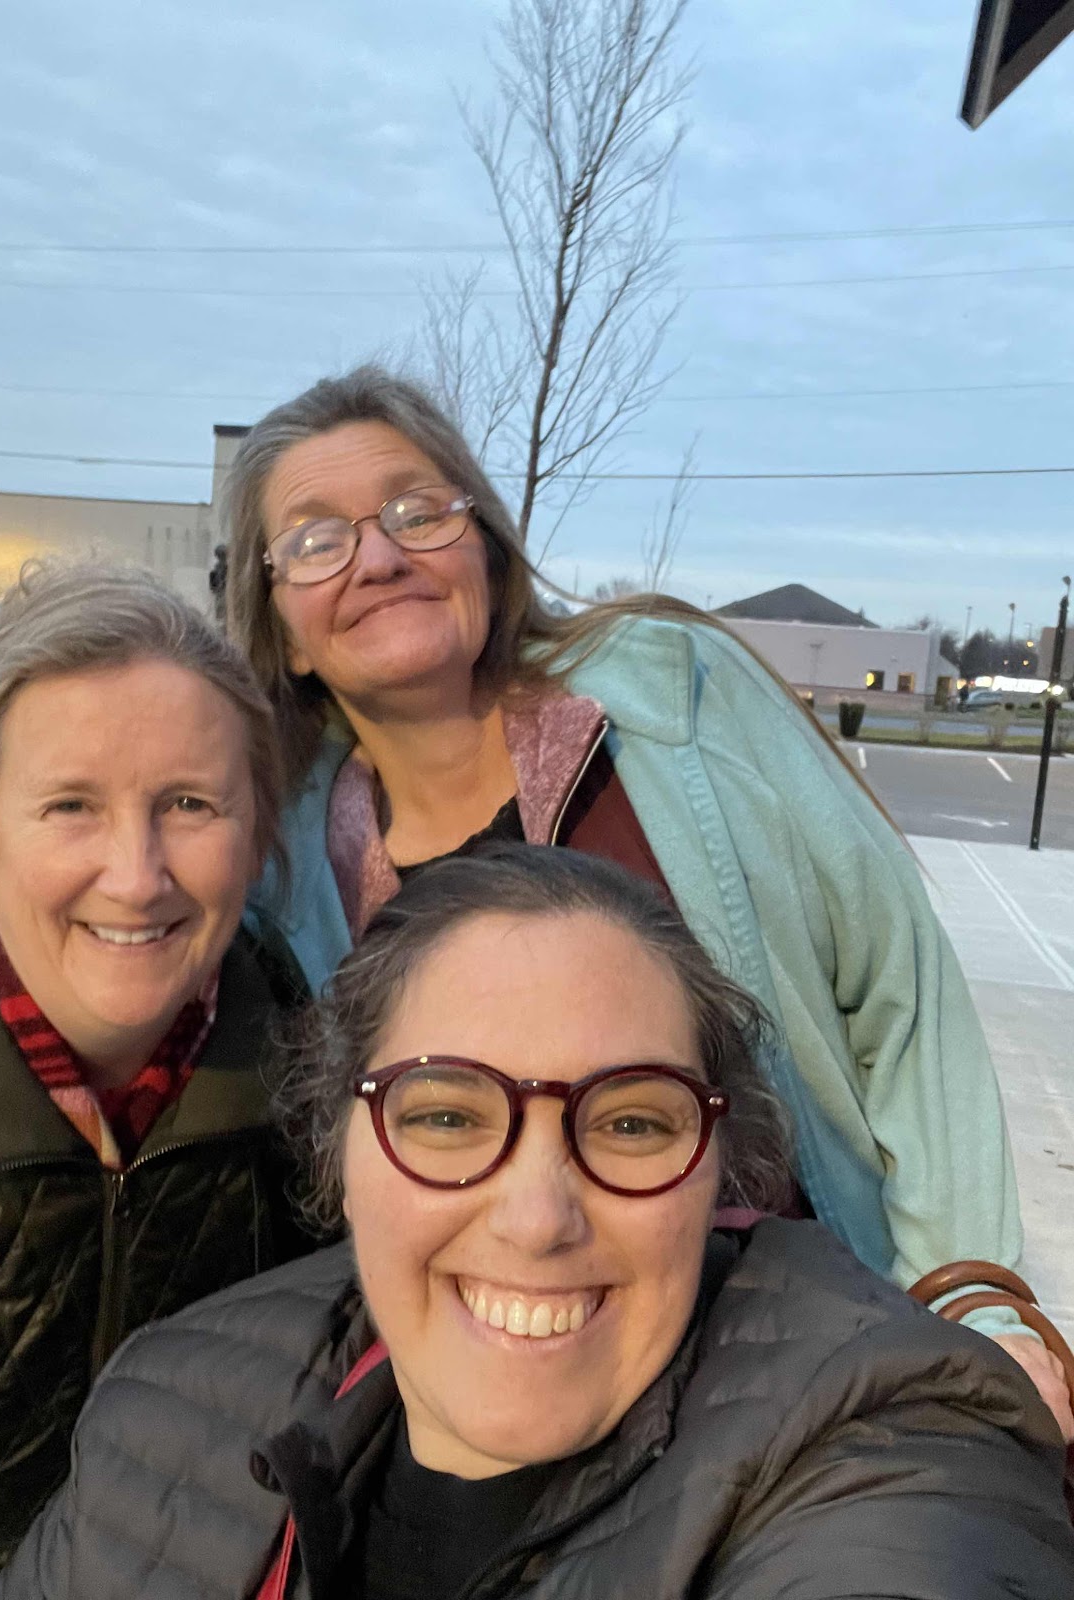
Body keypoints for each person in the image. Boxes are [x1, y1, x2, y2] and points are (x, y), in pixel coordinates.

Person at [223, 365, 1071, 1437]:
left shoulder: (678, 695)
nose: (380, 557)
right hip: (534, 1371)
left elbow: (898, 982)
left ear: (486, 546)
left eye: (416, 511)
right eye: (315, 539)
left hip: (819, 1347)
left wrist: (969, 1295)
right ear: (284, 629)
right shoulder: (286, 870)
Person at [0, 846, 1074, 1600]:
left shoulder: (889, 1438)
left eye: (632, 1122)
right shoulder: (164, 1401)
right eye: (448, 1115)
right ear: (339, 1146)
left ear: (718, 1171)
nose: (539, 1215)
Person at [0, 562, 315, 1600]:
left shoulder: (305, 1071)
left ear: (257, 833)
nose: (136, 875)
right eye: (71, 804)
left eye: (190, 803)